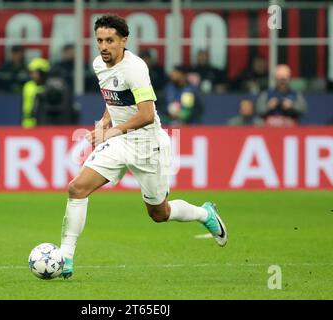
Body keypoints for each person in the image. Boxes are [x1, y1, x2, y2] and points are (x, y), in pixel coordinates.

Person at [59, 14, 228, 280]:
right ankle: (65, 257)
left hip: (148, 146)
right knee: (77, 188)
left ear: (123, 40)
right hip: (119, 142)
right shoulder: (98, 64)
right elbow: (113, 100)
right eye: (99, 40)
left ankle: (204, 213)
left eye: (110, 41)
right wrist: (105, 123)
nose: (103, 46)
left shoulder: (134, 69)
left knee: (159, 213)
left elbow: (147, 114)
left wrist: (110, 131)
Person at [21, 57, 50, 128]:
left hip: (44, 123)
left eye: (35, 72)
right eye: (31, 72)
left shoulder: (49, 87)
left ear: (43, 73)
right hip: (28, 123)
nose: (32, 75)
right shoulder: (28, 86)